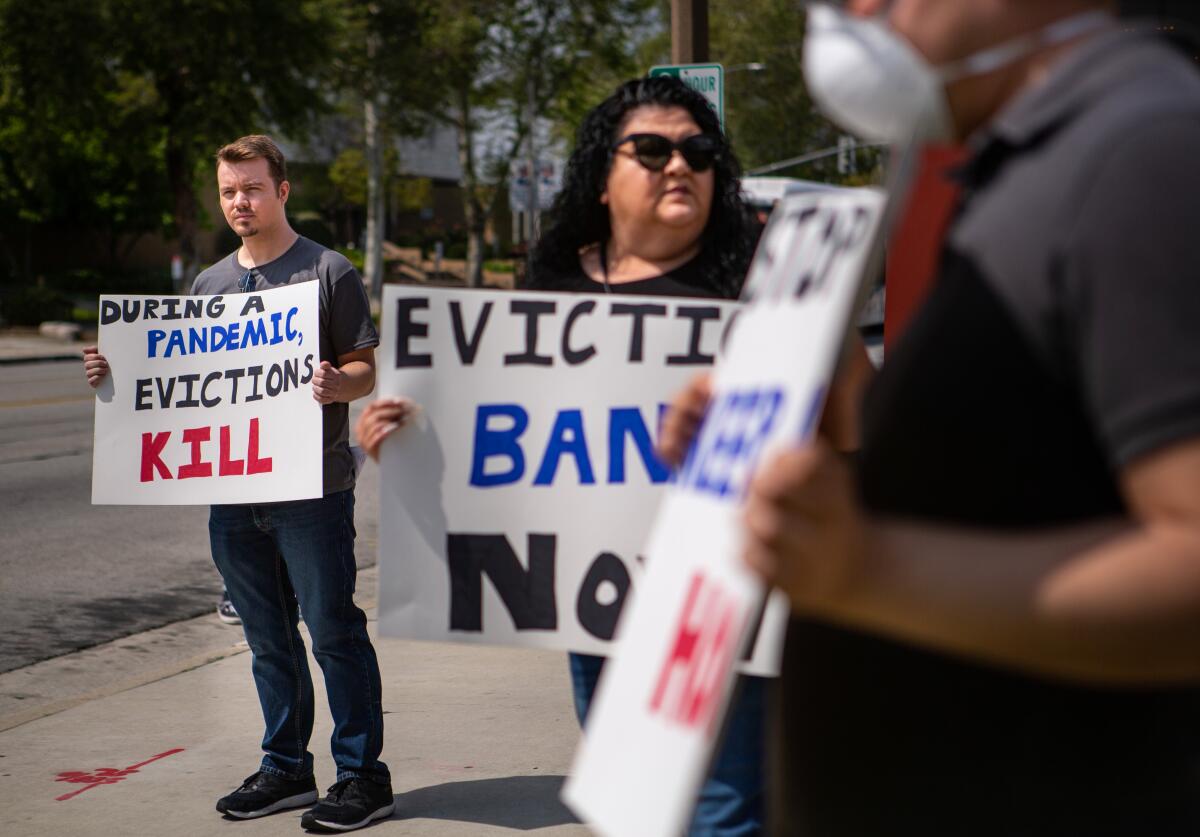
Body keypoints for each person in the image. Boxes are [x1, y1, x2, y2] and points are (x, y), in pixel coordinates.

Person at [660, 2, 1200, 833]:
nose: (849, 15)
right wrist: (804, 397)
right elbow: (992, 468)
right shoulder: (1000, 158)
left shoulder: (1142, 150)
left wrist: (867, 570)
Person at [357, 75, 764, 836]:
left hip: (722, 608)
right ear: (602, 180)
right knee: (635, 804)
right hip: (598, 606)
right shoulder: (554, 285)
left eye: (699, 151)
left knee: (724, 811)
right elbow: (508, 441)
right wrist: (404, 438)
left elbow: (853, 433)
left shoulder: (759, 288)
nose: (680, 165)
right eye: (651, 149)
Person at [83, 135, 394, 832]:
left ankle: (363, 776)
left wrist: (340, 381)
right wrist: (117, 378)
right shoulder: (209, 284)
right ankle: (286, 766)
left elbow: (366, 368)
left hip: (313, 490)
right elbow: (186, 382)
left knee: (334, 630)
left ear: (282, 190)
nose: (239, 202)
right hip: (234, 491)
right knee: (265, 637)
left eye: (251, 188)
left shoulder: (329, 271)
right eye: (228, 191)